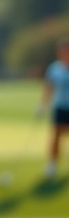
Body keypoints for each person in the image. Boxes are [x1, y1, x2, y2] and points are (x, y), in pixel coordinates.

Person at [40, 38, 69, 179]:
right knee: (56, 136)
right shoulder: (54, 68)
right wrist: (42, 105)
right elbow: (48, 89)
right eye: (63, 51)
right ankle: (52, 165)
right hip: (60, 106)